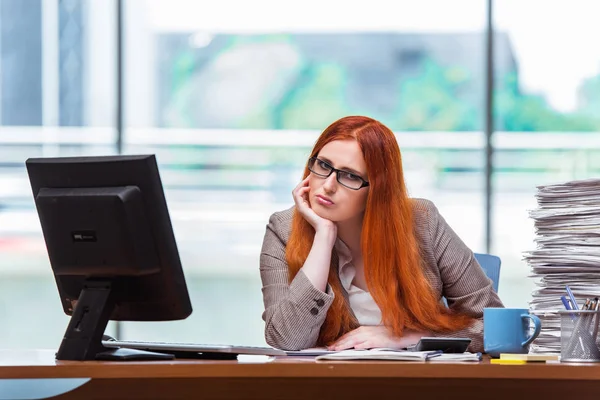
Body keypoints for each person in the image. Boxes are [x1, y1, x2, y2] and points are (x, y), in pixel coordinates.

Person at [259, 116, 503, 353]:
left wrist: (406, 337)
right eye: (323, 165)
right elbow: (286, 339)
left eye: (350, 176)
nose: (328, 185)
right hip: (327, 387)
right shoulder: (283, 229)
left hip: (418, 386)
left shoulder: (422, 220)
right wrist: (323, 236)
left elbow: (497, 329)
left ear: (378, 189)